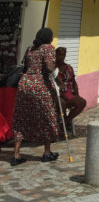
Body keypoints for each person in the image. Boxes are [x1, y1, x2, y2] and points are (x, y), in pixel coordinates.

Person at [11, 28, 59, 166]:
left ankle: (16, 154)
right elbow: (49, 67)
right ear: (49, 37)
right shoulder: (48, 48)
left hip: (25, 84)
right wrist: (57, 68)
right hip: (40, 86)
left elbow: (25, 68)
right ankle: (47, 153)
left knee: (21, 117)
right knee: (46, 117)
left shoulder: (30, 49)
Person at [55, 47, 87, 125]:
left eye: (63, 55)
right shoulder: (52, 68)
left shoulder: (69, 68)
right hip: (57, 93)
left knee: (82, 102)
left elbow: (73, 82)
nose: (62, 57)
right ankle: (63, 122)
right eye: (60, 55)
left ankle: (66, 121)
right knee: (62, 103)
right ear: (55, 55)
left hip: (68, 93)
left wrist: (76, 94)